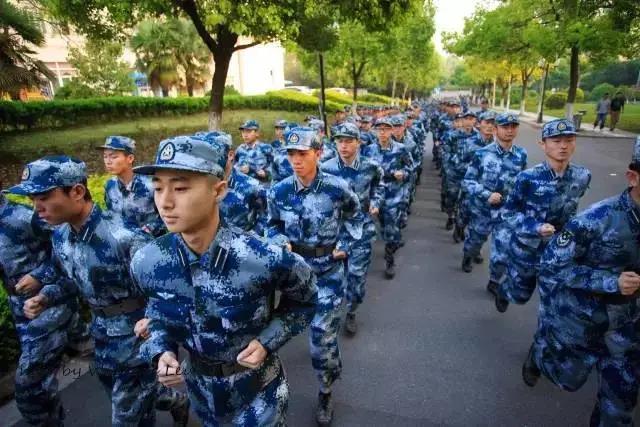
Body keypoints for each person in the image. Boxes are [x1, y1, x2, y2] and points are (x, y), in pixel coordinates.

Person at [129, 135, 317, 426]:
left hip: (259, 392)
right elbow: (158, 315)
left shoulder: (264, 257)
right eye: (158, 188)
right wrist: (161, 351)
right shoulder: (148, 262)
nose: (165, 202)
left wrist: (268, 341)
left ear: (218, 190)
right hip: (202, 395)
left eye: (180, 188)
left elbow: (305, 301)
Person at [7, 156, 159, 426]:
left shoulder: (125, 237)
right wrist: (45, 297)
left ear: (77, 191)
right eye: (32, 199)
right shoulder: (62, 236)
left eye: (43, 197)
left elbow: (167, 289)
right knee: (132, 402)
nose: (36, 207)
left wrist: (156, 323)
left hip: (137, 341)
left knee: (128, 418)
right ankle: (172, 399)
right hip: (101, 338)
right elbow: (70, 277)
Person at [522, 137, 640, 426]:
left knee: (618, 410)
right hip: (584, 323)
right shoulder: (597, 219)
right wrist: (609, 281)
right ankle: (540, 353)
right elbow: (552, 266)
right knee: (566, 377)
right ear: (633, 177)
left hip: (629, 333)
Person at [266, 127, 361, 426]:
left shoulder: (337, 187)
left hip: (327, 274)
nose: (296, 160)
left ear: (318, 154)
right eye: (291, 154)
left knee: (321, 339)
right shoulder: (279, 191)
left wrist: (345, 244)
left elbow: (355, 216)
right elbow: (272, 225)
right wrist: (279, 240)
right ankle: (265, 397)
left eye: (303, 154)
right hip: (294, 276)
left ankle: (326, 390)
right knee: (267, 338)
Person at [493, 119, 591, 312]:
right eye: (556, 141)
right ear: (543, 144)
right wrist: (535, 227)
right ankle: (505, 290)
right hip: (527, 247)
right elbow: (508, 212)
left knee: (556, 299)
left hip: (559, 248)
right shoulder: (528, 178)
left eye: (569, 140)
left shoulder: (582, 176)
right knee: (520, 295)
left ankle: (548, 331)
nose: (563, 146)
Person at [0, 187, 74, 426]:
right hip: (19, 307)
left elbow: (70, 242)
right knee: (43, 382)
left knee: (28, 388)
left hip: (48, 303)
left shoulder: (23, 217)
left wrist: (40, 275)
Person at [321, 122, 385, 336]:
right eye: (340, 141)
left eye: (349, 141)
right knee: (331, 277)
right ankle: (329, 313)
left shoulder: (370, 166)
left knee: (356, 277)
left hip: (361, 229)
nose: (344, 146)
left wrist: (376, 202)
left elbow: (379, 185)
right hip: (333, 231)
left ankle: (351, 311)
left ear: (358, 142)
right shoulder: (325, 168)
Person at [461, 113, 527, 291]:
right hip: (482, 209)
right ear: (496, 130)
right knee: (475, 241)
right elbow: (468, 181)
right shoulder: (482, 154)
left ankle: (495, 280)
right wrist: (486, 194)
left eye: (513, 127)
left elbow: (523, 182)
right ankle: (469, 255)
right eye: (505, 127)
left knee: (503, 249)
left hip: (506, 211)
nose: (509, 130)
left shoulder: (521, 155)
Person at [363, 117, 413, 278]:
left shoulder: (401, 149)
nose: (383, 132)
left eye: (386, 129)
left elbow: (410, 167)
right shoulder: (368, 150)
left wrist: (403, 173)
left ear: (391, 131)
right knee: (382, 225)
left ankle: (390, 259)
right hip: (375, 193)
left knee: (391, 226)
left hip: (394, 193)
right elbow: (363, 170)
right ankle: (391, 239)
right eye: (380, 129)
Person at [197, 131, 268, 235]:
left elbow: (268, 220)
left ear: (230, 155)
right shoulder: (196, 186)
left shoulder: (252, 187)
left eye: (212, 153)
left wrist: (249, 238)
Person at [98, 136, 166, 237]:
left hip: (151, 242)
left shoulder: (150, 186)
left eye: (113, 157)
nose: (108, 161)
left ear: (130, 158)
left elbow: (165, 218)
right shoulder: (110, 186)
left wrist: (143, 232)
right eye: (105, 156)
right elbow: (111, 216)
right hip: (121, 242)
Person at [453, 111, 495, 245]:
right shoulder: (469, 143)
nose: (490, 126)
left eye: (493, 123)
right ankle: (459, 227)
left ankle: (473, 248)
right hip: (469, 187)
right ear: (479, 124)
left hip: (487, 191)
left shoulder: (497, 146)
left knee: (481, 222)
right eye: (487, 122)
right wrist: (475, 169)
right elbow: (458, 163)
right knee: (464, 214)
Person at [234, 120, 273, 184]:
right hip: (242, 185)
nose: (245, 135)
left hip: (261, 185)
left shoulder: (266, 148)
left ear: (257, 133)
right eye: (243, 132)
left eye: (248, 131)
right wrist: (240, 169)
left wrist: (266, 173)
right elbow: (232, 166)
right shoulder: (240, 149)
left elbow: (275, 167)